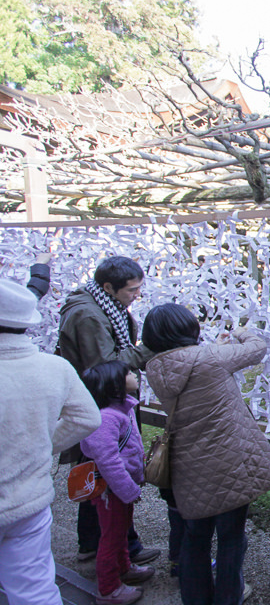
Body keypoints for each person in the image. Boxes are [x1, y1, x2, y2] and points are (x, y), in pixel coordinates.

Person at [142, 303, 270, 605]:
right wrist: (242, 332)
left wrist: (214, 350)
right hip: (229, 461)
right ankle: (228, 597)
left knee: (195, 538)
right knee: (232, 537)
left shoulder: (156, 368)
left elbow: (191, 367)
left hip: (189, 466)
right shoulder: (210, 357)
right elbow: (258, 348)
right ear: (188, 329)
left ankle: (195, 599)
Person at [0, 279, 101, 605]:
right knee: (36, 590)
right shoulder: (54, 367)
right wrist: (42, 444)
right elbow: (87, 419)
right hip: (29, 501)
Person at [58, 256, 157, 564]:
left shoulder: (100, 303)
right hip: (101, 404)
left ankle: (94, 543)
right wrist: (150, 347)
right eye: (131, 290)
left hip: (102, 401)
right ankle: (121, 549)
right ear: (107, 287)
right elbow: (106, 363)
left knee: (95, 469)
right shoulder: (88, 315)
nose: (136, 296)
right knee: (106, 471)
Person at [80, 361, 155, 605]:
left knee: (121, 530)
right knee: (111, 537)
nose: (135, 375)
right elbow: (108, 461)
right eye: (129, 373)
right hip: (112, 490)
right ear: (114, 384)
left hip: (120, 490)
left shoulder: (121, 409)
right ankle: (109, 589)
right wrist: (128, 490)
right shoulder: (106, 418)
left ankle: (124, 568)